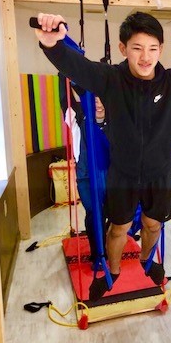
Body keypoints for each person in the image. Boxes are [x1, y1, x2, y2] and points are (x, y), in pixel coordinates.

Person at [34, 5, 171, 301]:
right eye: (137, 48)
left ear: (160, 49)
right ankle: (113, 271)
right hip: (123, 174)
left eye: (153, 48)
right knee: (119, 228)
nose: (145, 56)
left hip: (159, 175)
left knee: (154, 224)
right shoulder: (110, 80)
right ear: (123, 48)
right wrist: (51, 44)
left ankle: (146, 260)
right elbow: (78, 68)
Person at [59, 77, 109, 265]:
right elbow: (65, 101)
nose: (98, 103)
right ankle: (98, 254)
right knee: (94, 213)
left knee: (109, 213)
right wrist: (63, 74)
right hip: (86, 176)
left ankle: (107, 245)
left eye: (101, 99)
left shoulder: (114, 121)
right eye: (94, 99)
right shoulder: (79, 117)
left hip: (110, 176)